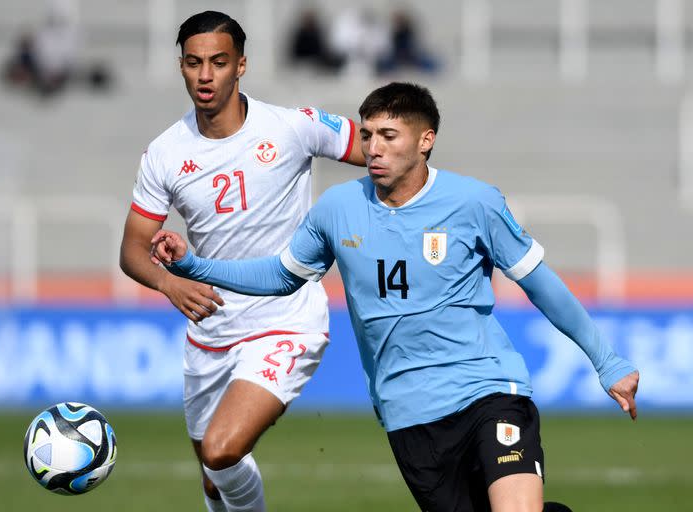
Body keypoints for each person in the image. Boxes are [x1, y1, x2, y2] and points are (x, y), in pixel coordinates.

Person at [150, 82, 639, 512]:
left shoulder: (474, 202)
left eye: (389, 136)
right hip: (408, 412)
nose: (373, 148)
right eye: (367, 135)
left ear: (425, 141)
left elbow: (541, 283)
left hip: (488, 390)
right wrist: (192, 265)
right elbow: (281, 275)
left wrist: (607, 361)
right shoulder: (339, 208)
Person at [118, 11, 364, 512]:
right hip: (210, 331)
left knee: (221, 451)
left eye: (218, 62)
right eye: (193, 63)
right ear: (181, 67)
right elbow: (131, 251)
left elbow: (380, 152)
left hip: (286, 321)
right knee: (215, 479)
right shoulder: (165, 153)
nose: (205, 75)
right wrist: (169, 285)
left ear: (241, 65)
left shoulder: (294, 127)